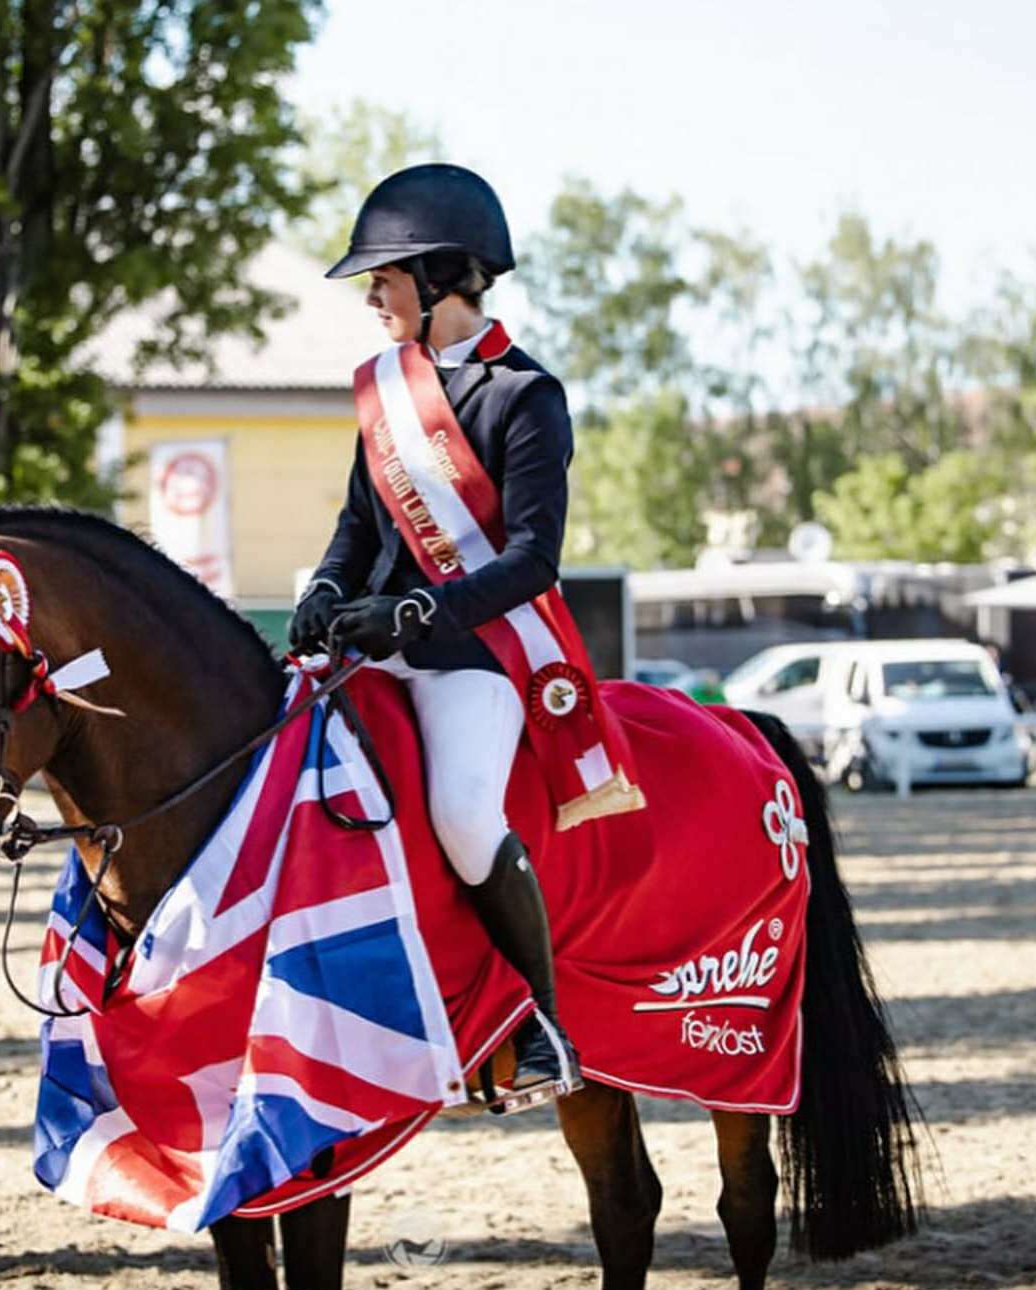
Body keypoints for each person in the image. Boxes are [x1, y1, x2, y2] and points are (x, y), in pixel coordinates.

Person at [290, 164, 640, 1104]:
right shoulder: (381, 390)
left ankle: (539, 1023)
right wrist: (326, 587)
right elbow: (360, 524)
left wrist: (416, 614)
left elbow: (532, 559)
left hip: (473, 655)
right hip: (372, 641)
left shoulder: (524, 395)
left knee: (462, 811)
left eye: (385, 277)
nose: (372, 295)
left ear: (440, 276)